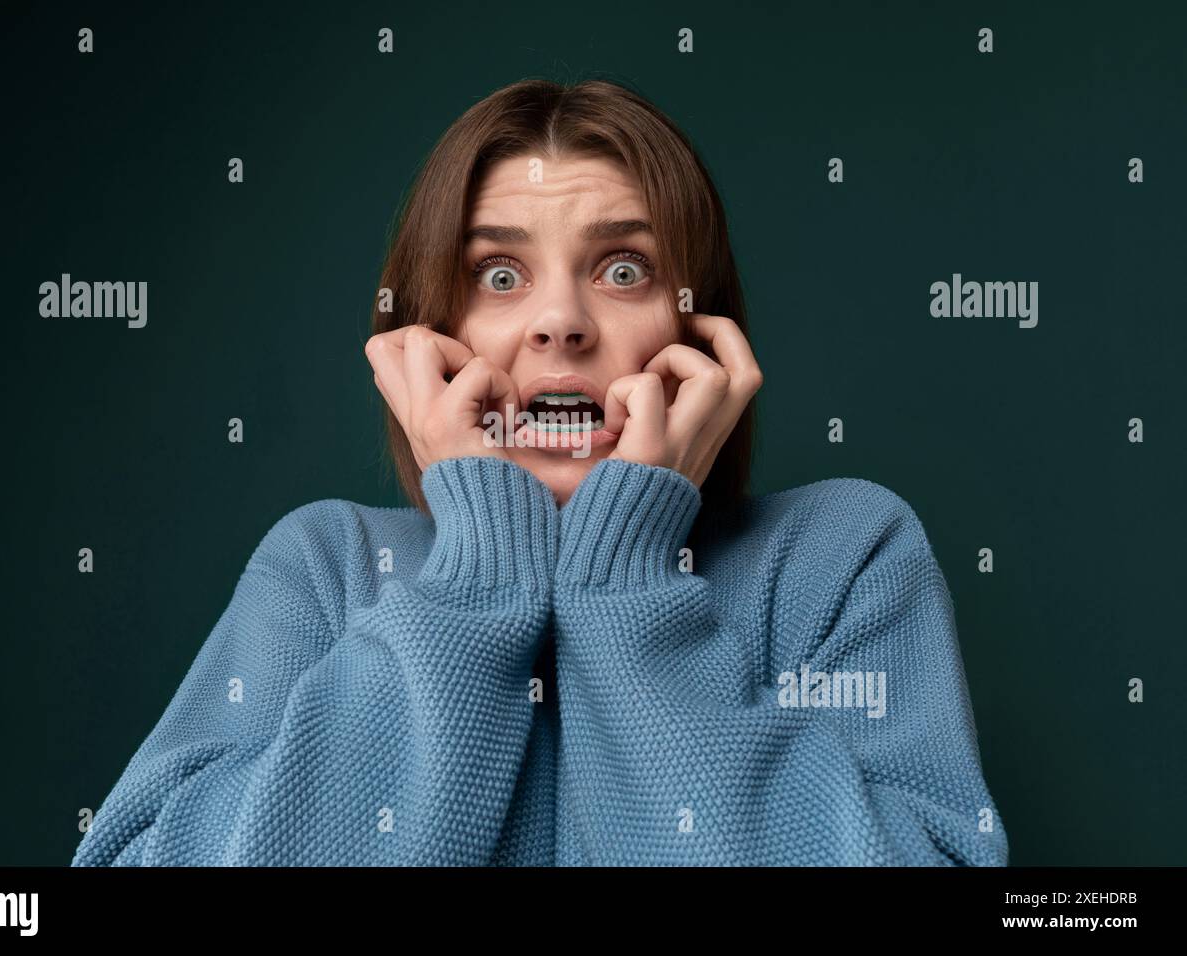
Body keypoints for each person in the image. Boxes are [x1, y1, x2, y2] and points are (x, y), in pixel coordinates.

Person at [71, 78, 1008, 866]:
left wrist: (627, 576)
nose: (560, 322)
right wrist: (479, 570)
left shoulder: (841, 557)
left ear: (698, 335)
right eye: (501, 277)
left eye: (625, 270)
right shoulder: (327, 566)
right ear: (430, 340)